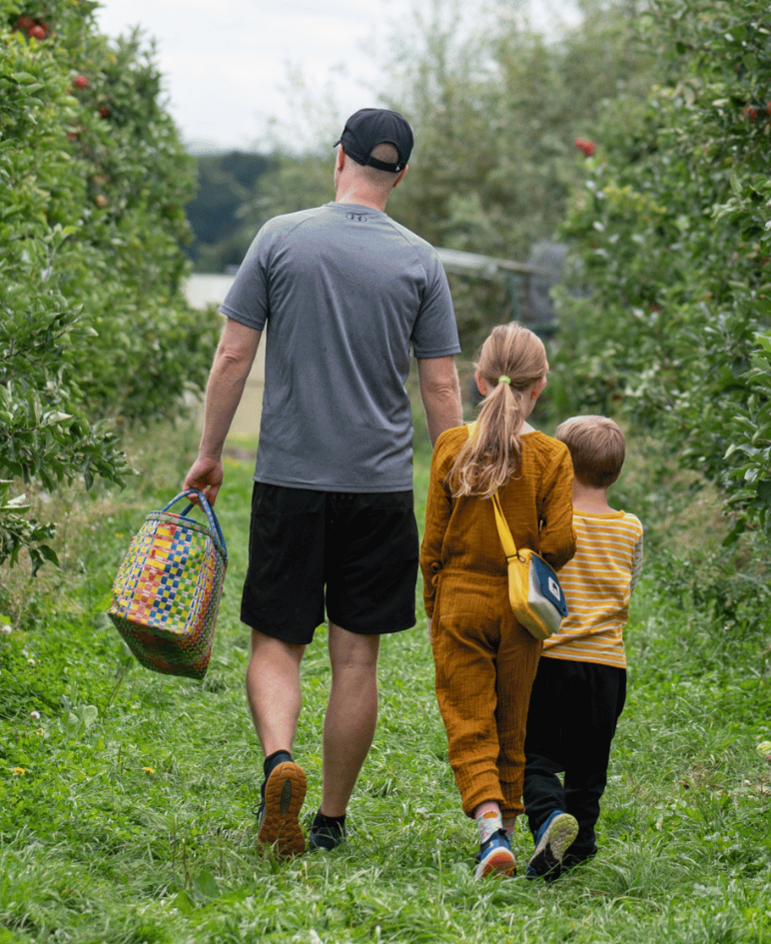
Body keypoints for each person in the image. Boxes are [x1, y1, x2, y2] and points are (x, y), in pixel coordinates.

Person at [182, 108, 462, 858]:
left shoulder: (280, 237)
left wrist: (209, 452)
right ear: (399, 173)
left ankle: (279, 760)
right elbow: (440, 386)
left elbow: (232, 357)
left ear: (336, 157)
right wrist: (455, 477)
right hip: (377, 488)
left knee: (276, 642)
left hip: (290, 479)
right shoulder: (419, 261)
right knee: (356, 657)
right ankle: (330, 819)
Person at [420, 323, 575, 879]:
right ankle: (507, 831)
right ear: (540, 387)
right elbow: (561, 543)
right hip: (521, 609)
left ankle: (491, 830)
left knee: (467, 718)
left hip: (460, 600)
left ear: (480, 381)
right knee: (513, 722)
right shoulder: (553, 456)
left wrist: (435, 606)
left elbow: (432, 543)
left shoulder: (450, 447)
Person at [521, 415, 644, 880]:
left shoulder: (549, 521)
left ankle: (549, 818)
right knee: (590, 767)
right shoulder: (631, 528)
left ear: (561, 466)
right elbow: (629, 582)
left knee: (533, 757)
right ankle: (580, 844)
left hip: (550, 660)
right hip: (607, 669)